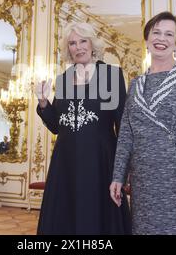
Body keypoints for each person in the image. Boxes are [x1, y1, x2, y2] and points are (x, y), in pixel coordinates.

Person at [110, 11, 176, 235]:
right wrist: (118, 175)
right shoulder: (135, 84)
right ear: (147, 40)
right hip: (145, 180)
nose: (161, 39)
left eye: (169, 34)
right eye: (156, 33)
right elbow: (126, 134)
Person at [34, 22, 131, 235]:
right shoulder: (64, 80)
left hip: (100, 161)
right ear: (68, 49)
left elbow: (123, 125)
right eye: (72, 43)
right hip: (66, 162)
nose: (78, 47)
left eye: (82, 41)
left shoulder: (111, 76)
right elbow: (57, 126)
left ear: (92, 44)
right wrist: (43, 102)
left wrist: (121, 170)